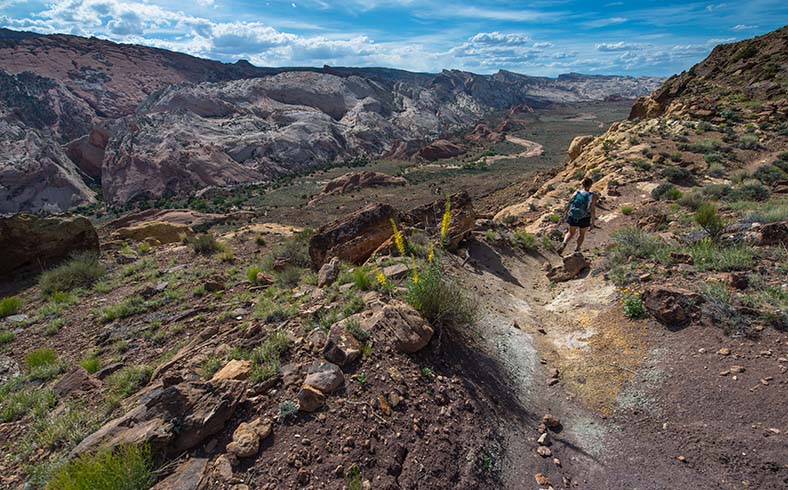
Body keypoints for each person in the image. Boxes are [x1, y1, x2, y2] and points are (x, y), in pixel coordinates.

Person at [557, 177, 595, 255]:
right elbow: (592, 210)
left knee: (571, 232)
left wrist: (564, 215)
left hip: (573, 216)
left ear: (582, 184)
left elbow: (569, 204)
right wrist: (592, 222)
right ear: (591, 185)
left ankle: (564, 243)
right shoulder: (592, 196)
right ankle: (577, 249)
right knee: (582, 234)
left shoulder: (576, 192)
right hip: (584, 217)